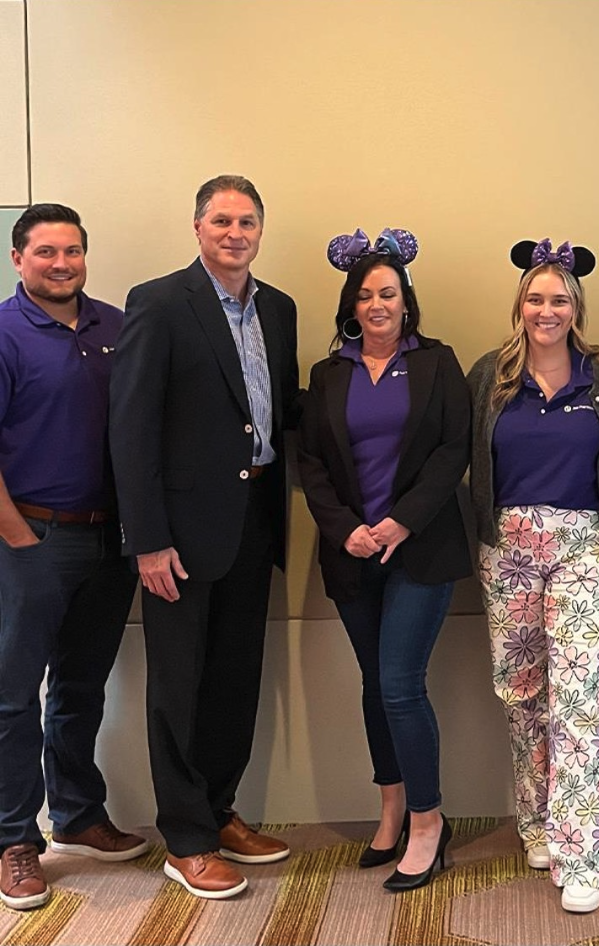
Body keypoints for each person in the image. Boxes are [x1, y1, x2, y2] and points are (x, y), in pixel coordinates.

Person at [110, 175, 302, 900]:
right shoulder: (159, 303)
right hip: (179, 536)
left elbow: (281, 410)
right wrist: (148, 540)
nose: (235, 232)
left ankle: (219, 812)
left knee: (232, 680)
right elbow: (129, 431)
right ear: (197, 228)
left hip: (254, 524)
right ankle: (185, 840)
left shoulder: (277, 308)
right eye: (221, 220)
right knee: (177, 688)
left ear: (260, 230)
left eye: (247, 221)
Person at [298, 228, 470, 892]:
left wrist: (401, 520)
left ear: (406, 301)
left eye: (388, 294)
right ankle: (392, 804)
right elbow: (310, 464)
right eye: (366, 294)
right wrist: (347, 530)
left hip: (419, 549)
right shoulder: (328, 371)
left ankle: (429, 822)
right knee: (375, 685)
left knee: (400, 684)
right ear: (352, 303)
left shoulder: (436, 361)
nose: (377, 304)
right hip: (352, 554)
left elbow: (452, 450)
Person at [468, 239, 599, 915]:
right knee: (522, 693)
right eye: (535, 298)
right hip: (506, 546)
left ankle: (582, 852)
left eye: (559, 299)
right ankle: (537, 824)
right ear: (519, 306)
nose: (546, 309)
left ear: (576, 307)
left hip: (585, 545)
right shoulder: (491, 375)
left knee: (580, 700)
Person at [0, 205, 145, 911]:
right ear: (18, 258)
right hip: (31, 535)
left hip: (109, 539)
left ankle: (80, 815)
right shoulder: (2, 332)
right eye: (47, 252)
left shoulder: (115, 327)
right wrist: (17, 536)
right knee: (12, 693)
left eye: (74, 252)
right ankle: (13, 840)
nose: (63, 264)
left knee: (82, 687)